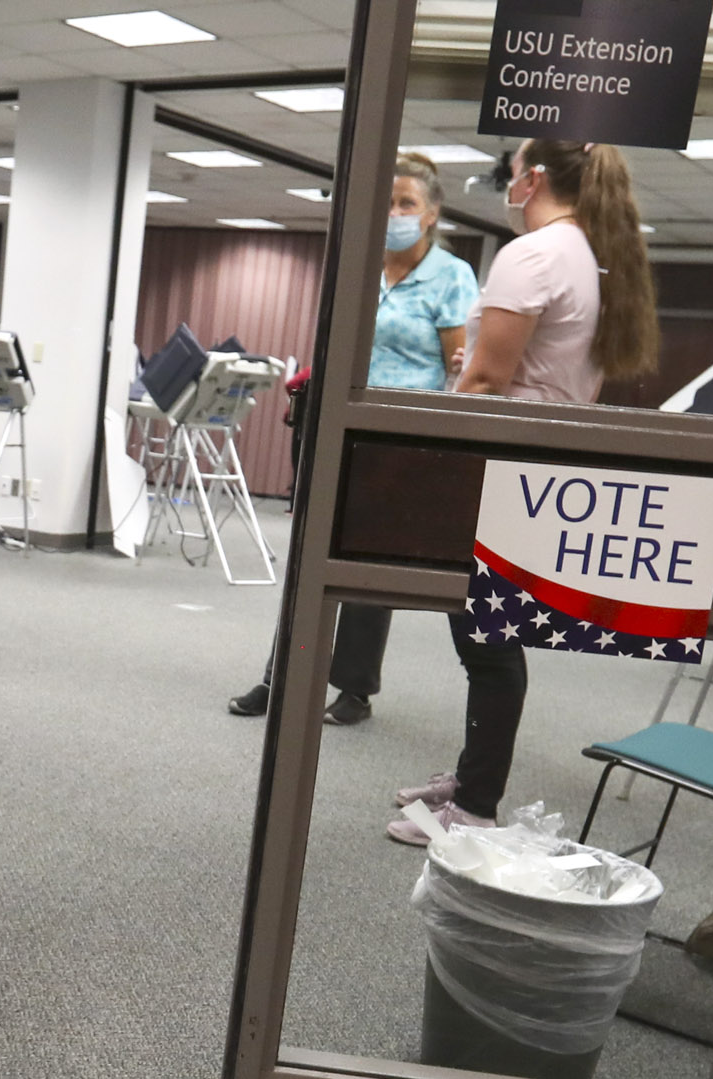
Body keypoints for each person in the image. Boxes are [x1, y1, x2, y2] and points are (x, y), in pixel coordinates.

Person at [387, 138, 659, 844]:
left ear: (532, 178)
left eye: (510, 175)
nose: (507, 185)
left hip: (495, 471)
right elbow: (521, 367)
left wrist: (445, 445)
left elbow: (484, 385)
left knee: (489, 646)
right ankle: (472, 778)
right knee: (489, 642)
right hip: (531, 467)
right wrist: (472, 363)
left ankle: (475, 806)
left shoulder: (534, 254)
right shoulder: (581, 253)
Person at [231, 154, 478, 725]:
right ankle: (283, 675)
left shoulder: (451, 277)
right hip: (341, 426)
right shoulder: (359, 267)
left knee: (368, 571)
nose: (393, 213)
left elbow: (458, 370)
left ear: (432, 213)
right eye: (386, 203)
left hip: (403, 440)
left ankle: (354, 690)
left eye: (406, 204)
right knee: (310, 560)